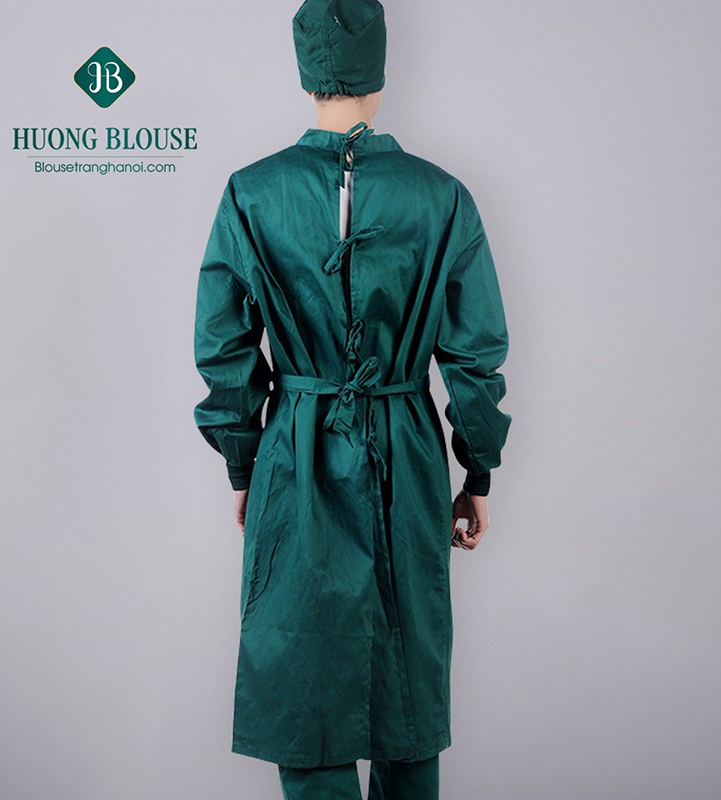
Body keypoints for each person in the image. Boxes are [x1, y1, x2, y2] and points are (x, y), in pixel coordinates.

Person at [192, 0, 512, 797]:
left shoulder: (251, 194)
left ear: (305, 73)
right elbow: (474, 356)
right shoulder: (441, 197)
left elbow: (224, 347)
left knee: (305, 673)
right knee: (405, 678)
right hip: (405, 447)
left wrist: (244, 465)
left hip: (295, 453)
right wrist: (476, 472)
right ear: (380, 68)